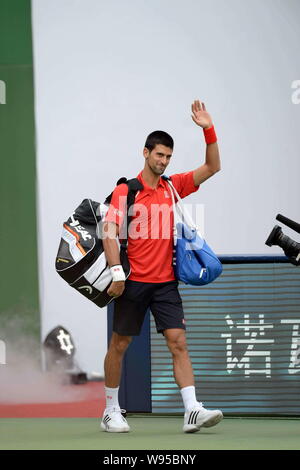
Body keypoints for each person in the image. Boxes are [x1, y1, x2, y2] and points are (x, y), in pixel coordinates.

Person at [101, 100, 222, 433]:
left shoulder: (173, 186)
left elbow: (212, 167)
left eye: (168, 156)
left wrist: (207, 129)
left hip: (166, 283)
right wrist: (116, 273)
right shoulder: (126, 190)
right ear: (145, 153)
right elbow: (109, 232)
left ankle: (192, 409)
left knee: (178, 342)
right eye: (159, 155)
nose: (164, 161)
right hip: (133, 282)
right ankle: (111, 409)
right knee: (119, 345)